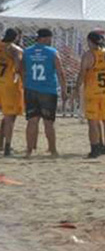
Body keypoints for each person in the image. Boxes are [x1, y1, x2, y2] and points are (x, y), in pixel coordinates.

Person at [23, 28, 67, 158]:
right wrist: (64, 90)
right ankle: (52, 150)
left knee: (32, 121)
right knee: (48, 122)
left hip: (31, 88)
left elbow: (23, 70)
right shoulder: (52, 52)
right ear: (46, 38)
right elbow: (60, 72)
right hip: (48, 90)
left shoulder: (27, 51)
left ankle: (29, 150)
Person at [0, 28, 25, 157]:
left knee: (6, 116)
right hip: (10, 84)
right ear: (16, 37)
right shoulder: (15, 49)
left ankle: (1, 143)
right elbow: (19, 67)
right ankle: (8, 148)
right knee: (10, 117)